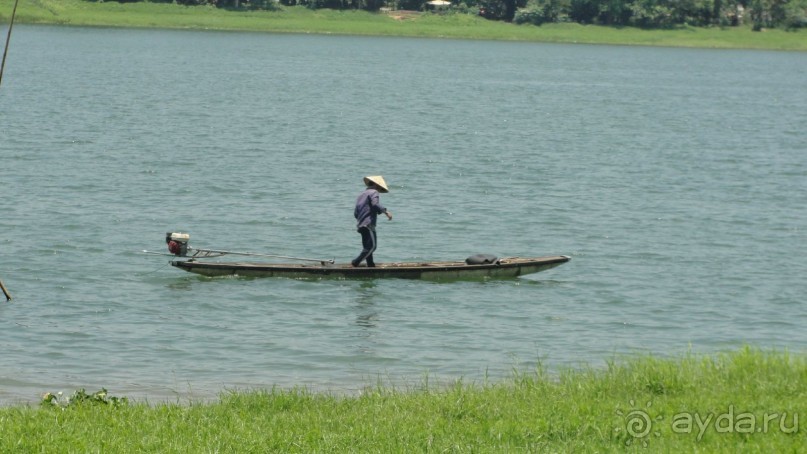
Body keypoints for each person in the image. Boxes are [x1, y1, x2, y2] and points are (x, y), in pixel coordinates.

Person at [351, 175, 392, 267]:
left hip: (361, 225)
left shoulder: (362, 195)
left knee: (367, 247)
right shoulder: (374, 192)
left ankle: (370, 265)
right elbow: (375, 204)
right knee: (372, 247)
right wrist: (386, 212)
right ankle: (356, 262)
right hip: (368, 224)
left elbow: (356, 213)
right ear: (377, 185)